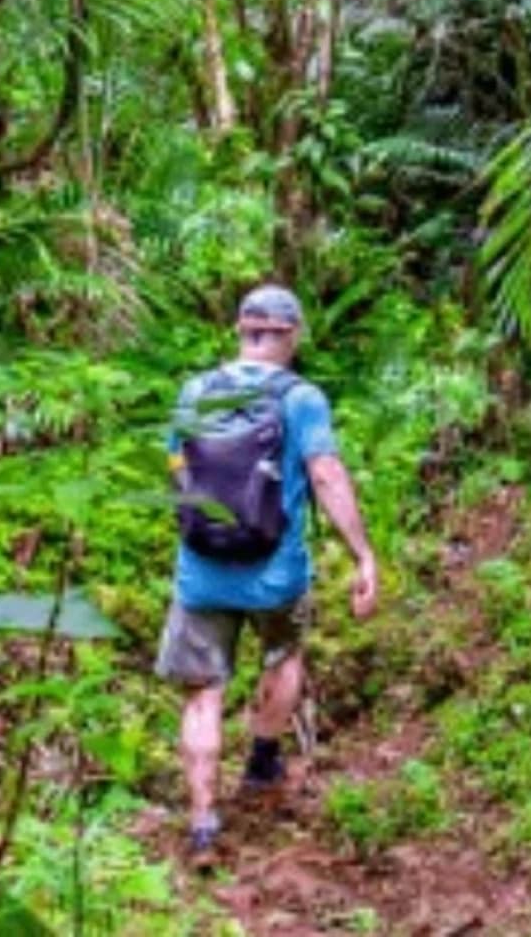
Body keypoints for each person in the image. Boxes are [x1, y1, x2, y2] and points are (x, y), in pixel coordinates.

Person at [155, 285, 378, 868]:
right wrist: (362, 554)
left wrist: (198, 523)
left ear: (240, 329)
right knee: (283, 655)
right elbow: (325, 474)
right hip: (275, 573)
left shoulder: (196, 391)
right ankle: (261, 762)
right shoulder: (301, 399)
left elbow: (175, 464)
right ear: (291, 335)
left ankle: (203, 823)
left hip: (202, 570)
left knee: (202, 693)